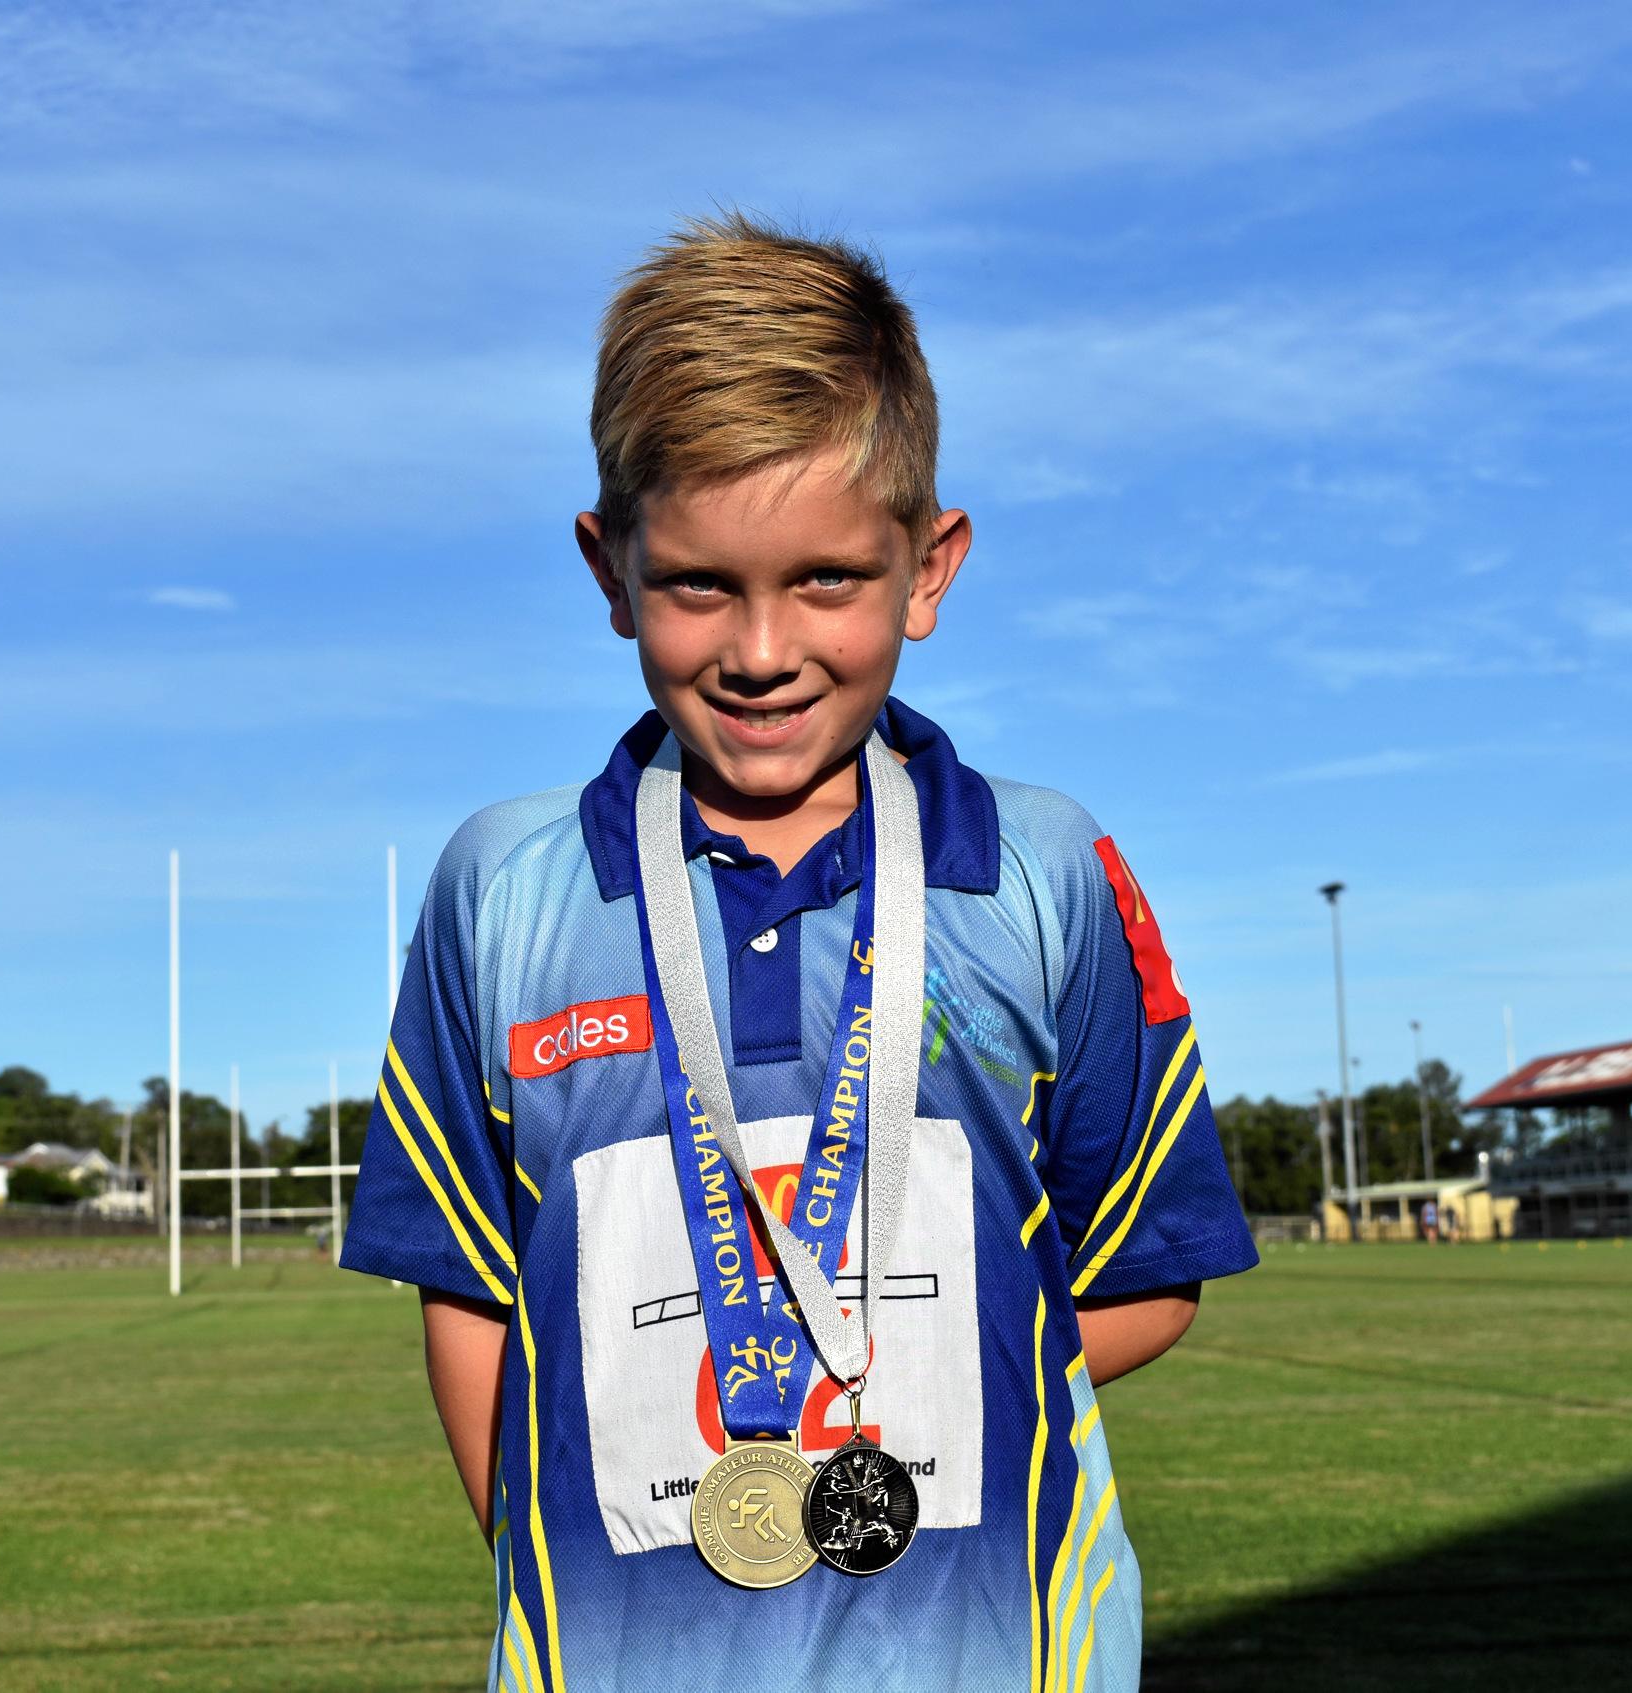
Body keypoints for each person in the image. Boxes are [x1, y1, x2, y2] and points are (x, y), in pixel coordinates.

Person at [340, 214, 1259, 1693]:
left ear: (927, 566)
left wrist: (904, 1366)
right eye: (699, 582)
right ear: (608, 567)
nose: (761, 648)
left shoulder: (1041, 874)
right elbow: (466, 1290)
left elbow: (1151, 1270)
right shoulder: (501, 891)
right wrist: (562, 1571)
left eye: (828, 577)